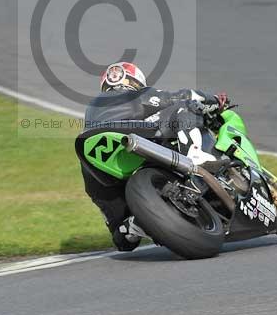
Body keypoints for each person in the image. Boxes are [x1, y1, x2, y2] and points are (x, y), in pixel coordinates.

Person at [76, 61, 229, 252]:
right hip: (134, 135)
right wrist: (214, 100)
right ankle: (196, 156)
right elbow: (184, 95)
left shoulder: (92, 109)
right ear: (136, 81)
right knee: (184, 106)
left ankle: (131, 226)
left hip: (93, 158)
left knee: (120, 235)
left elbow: (122, 246)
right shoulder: (139, 94)